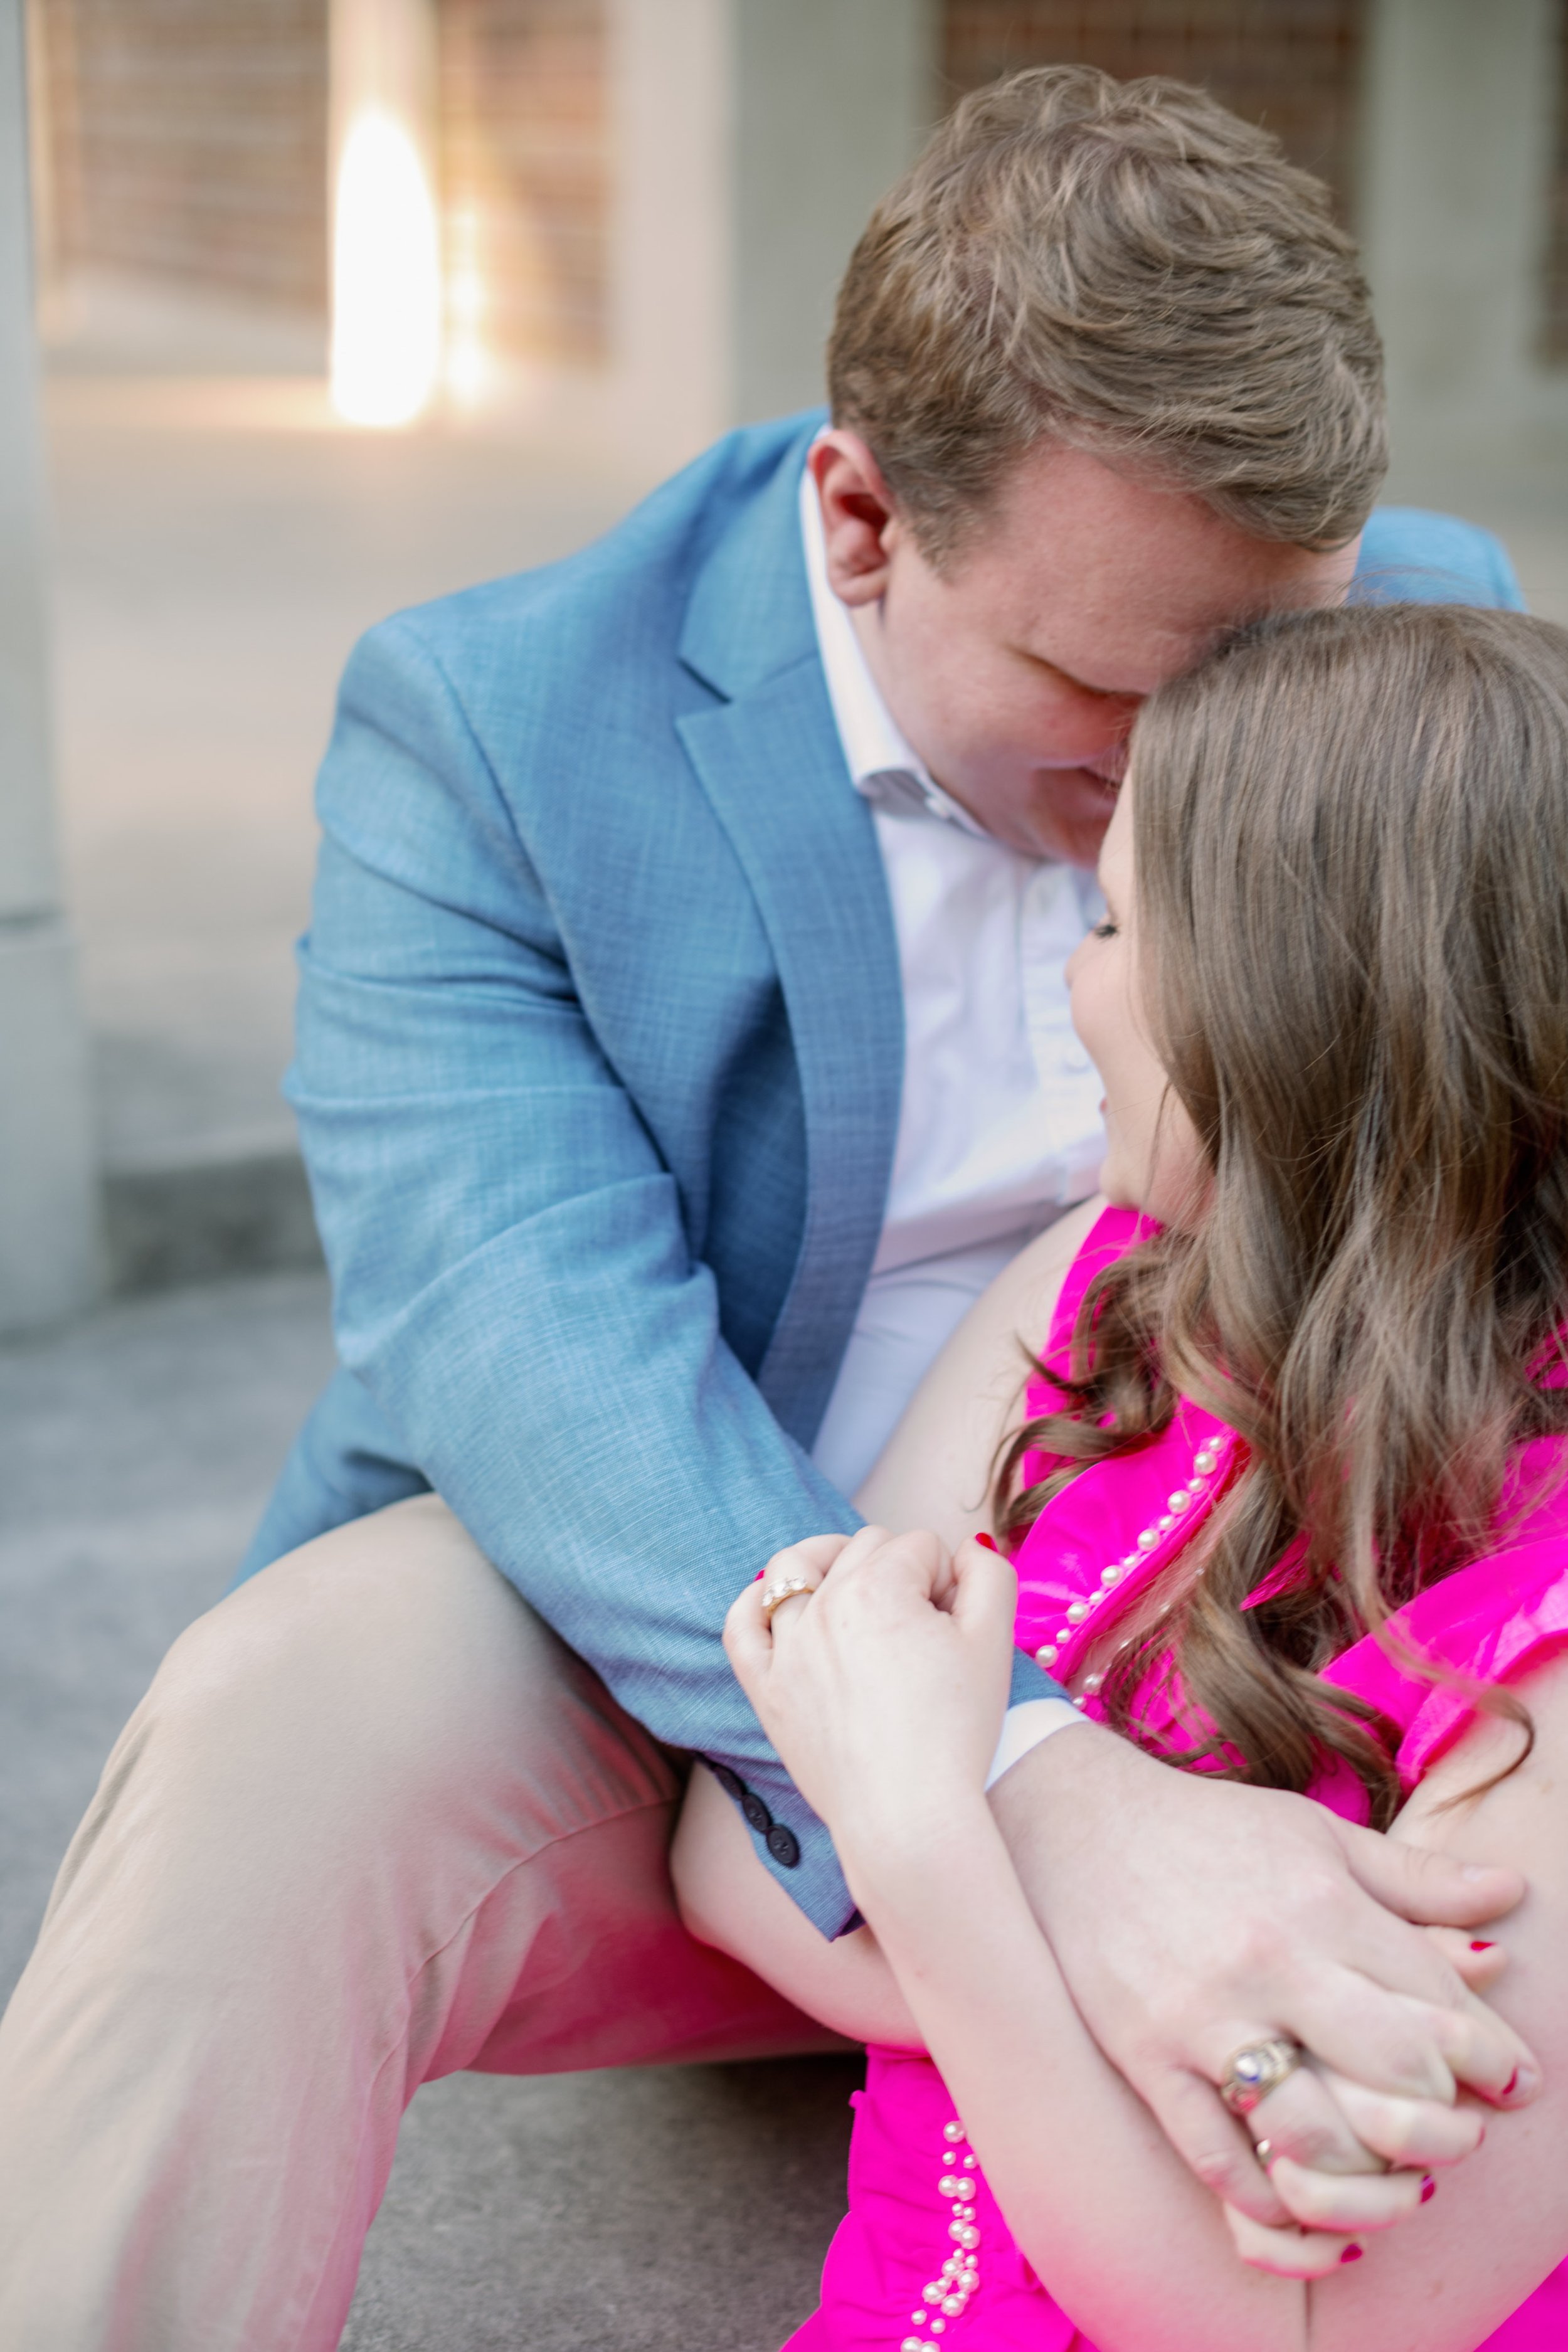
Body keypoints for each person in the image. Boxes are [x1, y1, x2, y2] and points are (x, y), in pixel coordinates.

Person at [0, 70, 1535, 2351]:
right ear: (857, 518)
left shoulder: (1421, 637)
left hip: (1282, 1602)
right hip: (712, 1600)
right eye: (1107, 694)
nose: (1185, 785)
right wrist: (1034, 1782)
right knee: (282, 1724)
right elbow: (535, 1349)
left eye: (1253, 680)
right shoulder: (497, 725)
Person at [675, 601, 1568, 2350]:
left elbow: (1308, 2329)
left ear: (1284, 1013)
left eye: (1106, 922)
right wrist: (1139, 2003)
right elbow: (737, 1841)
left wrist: (934, 1850)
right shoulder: (1095, 1293)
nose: (1071, 977)